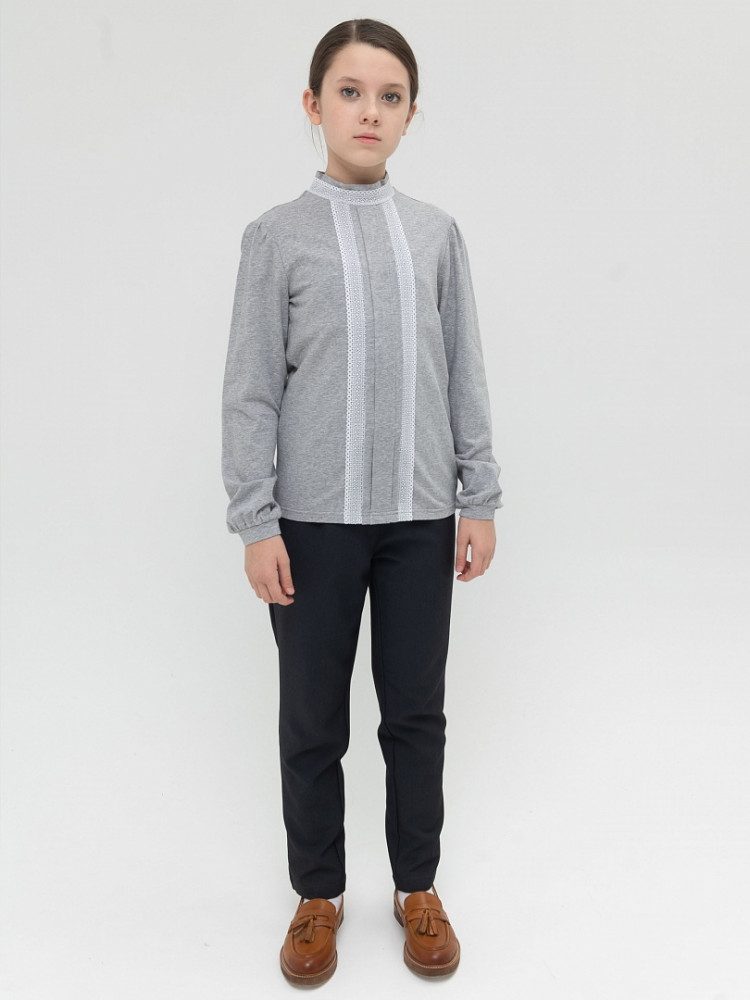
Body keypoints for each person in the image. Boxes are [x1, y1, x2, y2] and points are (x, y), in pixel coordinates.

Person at [221, 17, 502, 986]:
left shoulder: (435, 235)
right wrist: (256, 520)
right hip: (311, 526)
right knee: (312, 719)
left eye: (389, 96)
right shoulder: (275, 237)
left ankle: (416, 886)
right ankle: (318, 895)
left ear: (411, 114)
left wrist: (478, 495)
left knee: (416, 715)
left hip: (421, 519)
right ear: (314, 105)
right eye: (350, 92)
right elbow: (251, 389)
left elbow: (462, 369)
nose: (369, 111)